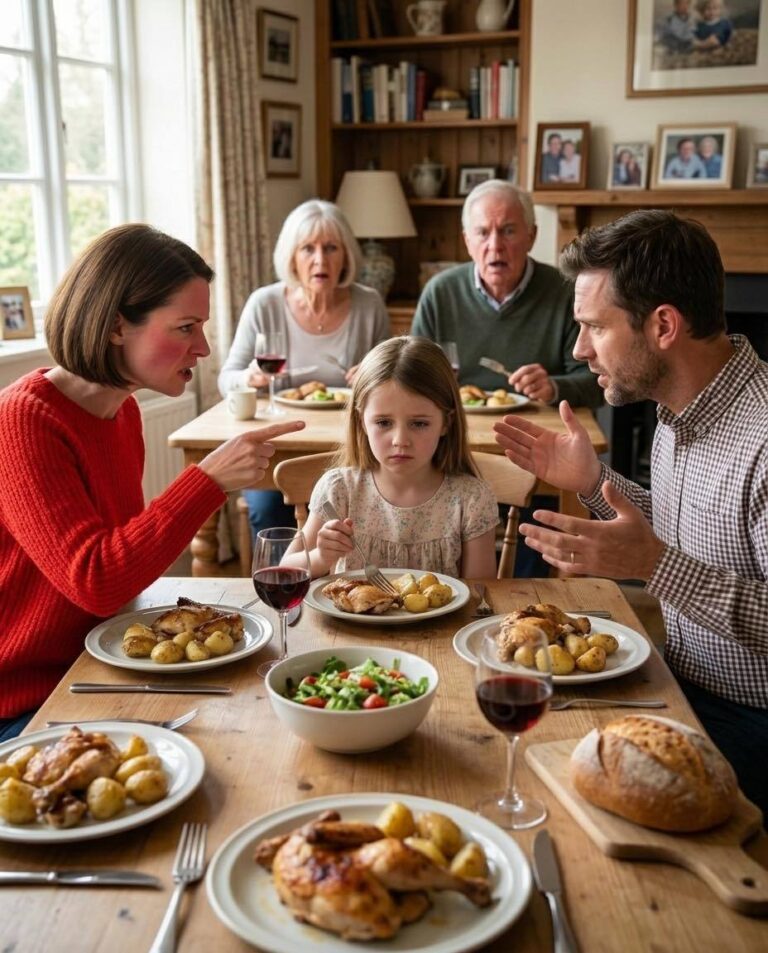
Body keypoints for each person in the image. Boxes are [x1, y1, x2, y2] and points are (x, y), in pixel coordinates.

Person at [493, 209, 768, 816]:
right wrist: (593, 482)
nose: (578, 349)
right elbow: (693, 530)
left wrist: (652, 564)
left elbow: (667, 556)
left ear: (663, 324)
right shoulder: (678, 406)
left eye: (593, 326)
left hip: (754, 727)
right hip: (681, 684)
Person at [0, 224, 305, 741]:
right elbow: (97, 581)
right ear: (119, 326)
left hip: (100, 660)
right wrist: (205, 481)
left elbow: (122, 575)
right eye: (186, 327)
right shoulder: (23, 421)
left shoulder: (122, 414)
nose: (204, 348)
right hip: (26, 700)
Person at [218, 199, 389, 541]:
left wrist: (373, 376)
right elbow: (227, 378)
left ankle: (336, 589)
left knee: (361, 508)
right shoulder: (264, 303)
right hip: (277, 445)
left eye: (330, 248)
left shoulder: (368, 304)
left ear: (346, 256)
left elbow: (393, 382)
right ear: (291, 257)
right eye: (308, 249)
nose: (320, 260)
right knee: (267, 511)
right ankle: (284, 590)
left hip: (347, 446)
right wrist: (249, 378)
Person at [282, 337, 499, 580]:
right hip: (351, 619)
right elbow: (284, 571)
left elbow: (480, 595)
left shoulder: (471, 499)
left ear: (446, 423)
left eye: (419, 423)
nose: (400, 440)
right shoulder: (339, 490)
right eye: (383, 423)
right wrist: (321, 557)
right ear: (361, 421)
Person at [411, 179, 602, 408]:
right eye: (482, 233)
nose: (495, 246)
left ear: (531, 236)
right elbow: (413, 375)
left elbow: (596, 384)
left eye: (508, 231)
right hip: (458, 428)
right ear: (467, 241)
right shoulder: (440, 292)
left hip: (542, 431)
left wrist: (554, 388)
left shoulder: (567, 292)